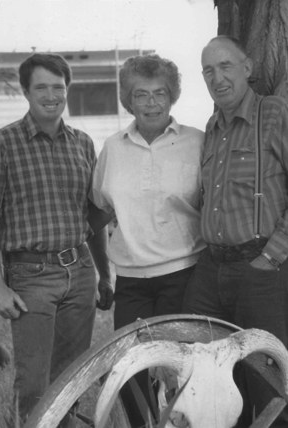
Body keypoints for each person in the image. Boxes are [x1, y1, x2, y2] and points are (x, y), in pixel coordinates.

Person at [0, 53, 113, 427]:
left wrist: (104, 275)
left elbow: (93, 218)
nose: (51, 95)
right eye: (41, 87)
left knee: (72, 377)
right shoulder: (1, 144)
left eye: (58, 87)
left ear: (67, 91)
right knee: (34, 383)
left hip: (80, 270)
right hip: (30, 275)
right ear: (26, 91)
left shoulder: (83, 143)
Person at [92, 53, 205, 427]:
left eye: (160, 93)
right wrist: (103, 273)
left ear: (172, 96)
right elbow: (100, 208)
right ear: (129, 100)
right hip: (131, 282)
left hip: (183, 274)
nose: (151, 102)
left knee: (181, 373)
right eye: (141, 94)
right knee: (129, 373)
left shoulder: (197, 142)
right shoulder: (113, 147)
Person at [182, 35, 288, 427]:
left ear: (248, 68)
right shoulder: (212, 126)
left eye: (226, 66)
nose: (217, 77)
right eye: (208, 70)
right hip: (213, 270)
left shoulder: (274, 114)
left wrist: (272, 255)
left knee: (269, 380)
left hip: (261, 267)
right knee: (210, 376)